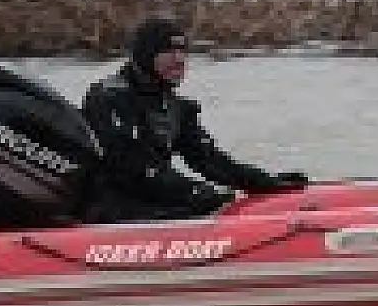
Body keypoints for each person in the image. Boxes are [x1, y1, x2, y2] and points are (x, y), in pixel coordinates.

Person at [80, 16, 310, 223]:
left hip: (154, 198)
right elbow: (130, 169)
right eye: (169, 52)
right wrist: (195, 191)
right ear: (146, 55)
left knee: (211, 201)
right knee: (206, 203)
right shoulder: (109, 98)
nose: (179, 59)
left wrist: (266, 183)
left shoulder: (176, 108)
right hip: (111, 205)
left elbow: (210, 161)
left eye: (183, 51)